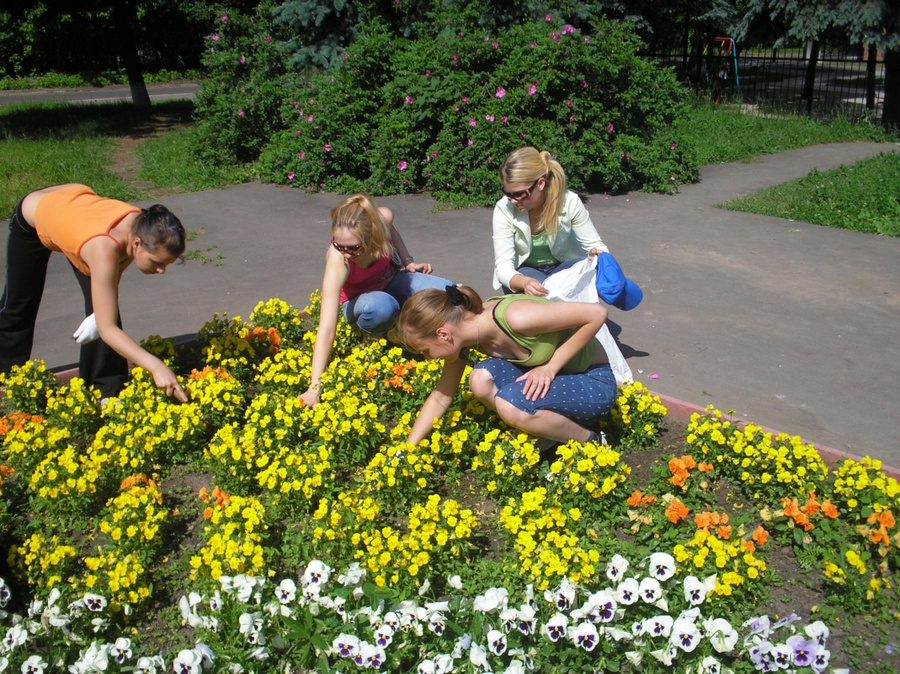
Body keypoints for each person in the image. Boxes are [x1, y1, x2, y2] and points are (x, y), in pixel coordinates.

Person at [0, 183, 188, 402]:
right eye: (157, 262)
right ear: (137, 244)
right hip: (36, 213)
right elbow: (107, 329)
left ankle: (105, 391)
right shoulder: (104, 247)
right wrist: (156, 367)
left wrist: (99, 315)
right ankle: (6, 379)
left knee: (103, 311)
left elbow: (111, 281)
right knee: (18, 305)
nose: (161, 270)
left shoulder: (143, 225)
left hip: (77, 217)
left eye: (167, 264)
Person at [392, 285, 617, 447]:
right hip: (555, 385)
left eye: (425, 351)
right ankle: (547, 431)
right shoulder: (466, 335)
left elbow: (596, 314)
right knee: (480, 380)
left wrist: (550, 367)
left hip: (593, 381)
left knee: (510, 404)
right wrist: (407, 449)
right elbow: (441, 397)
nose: (428, 359)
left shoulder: (516, 317)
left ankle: (592, 441)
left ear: (443, 334)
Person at [300, 194, 453, 409]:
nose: (346, 253)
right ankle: (379, 332)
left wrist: (408, 261)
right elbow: (326, 327)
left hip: (391, 282)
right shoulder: (338, 258)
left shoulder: (382, 219)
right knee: (380, 307)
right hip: (360, 304)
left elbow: (393, 232)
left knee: (448, 290)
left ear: (371, 234)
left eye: (354, 248)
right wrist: (314, 388)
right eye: (339, 245)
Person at [493, 147, 609, 296]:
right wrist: (524, 282)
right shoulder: (504, 208)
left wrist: (596, 256)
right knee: (550, 295)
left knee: (593, 270)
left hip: (563, 265)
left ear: (540, 184)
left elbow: (596, 245)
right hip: (524, 271)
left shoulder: (569, 201)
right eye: (508, 193)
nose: (513, 200)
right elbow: (503, 267)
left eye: (520, 194)